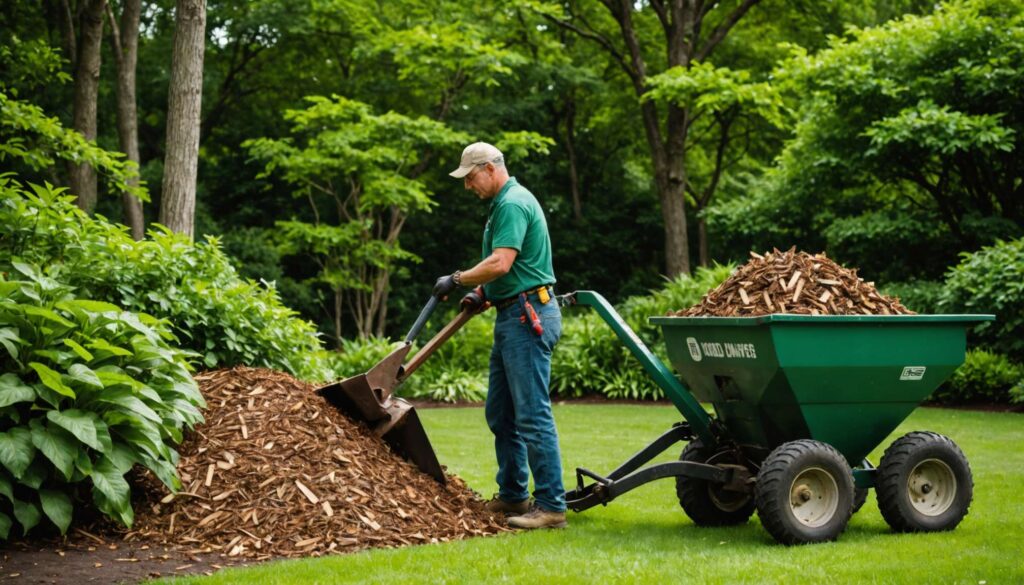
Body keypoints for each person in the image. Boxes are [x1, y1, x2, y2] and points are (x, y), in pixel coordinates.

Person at [433, 142, 566, 529]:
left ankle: (552, 506)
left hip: (528, 317)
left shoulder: (511, 203)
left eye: (470, 177)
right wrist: (482, 292)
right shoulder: (501, 205)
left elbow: (501, 262)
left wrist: (458, 279)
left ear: (490, 169)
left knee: (531, 414)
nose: (467, 186)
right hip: (513, 314)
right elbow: (508, 271)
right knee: (501, 412)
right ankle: (512, 495)